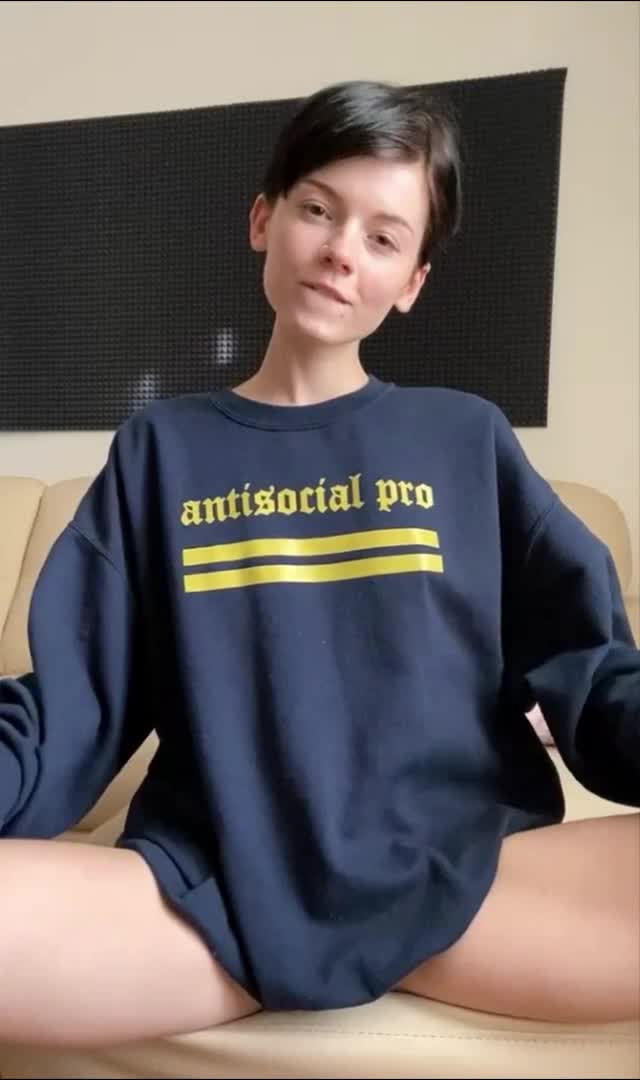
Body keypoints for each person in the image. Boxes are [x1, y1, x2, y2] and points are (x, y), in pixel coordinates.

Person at [1, 79, 638, 1050]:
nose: (343, 251)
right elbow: (70, 713)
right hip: (212, 890)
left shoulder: (463, 438)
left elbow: (592, 677)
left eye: (384, 237)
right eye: (318, 210)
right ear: (264, 220)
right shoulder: (161, 449)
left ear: (412, 280)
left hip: (465, 879)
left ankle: (376, 941)